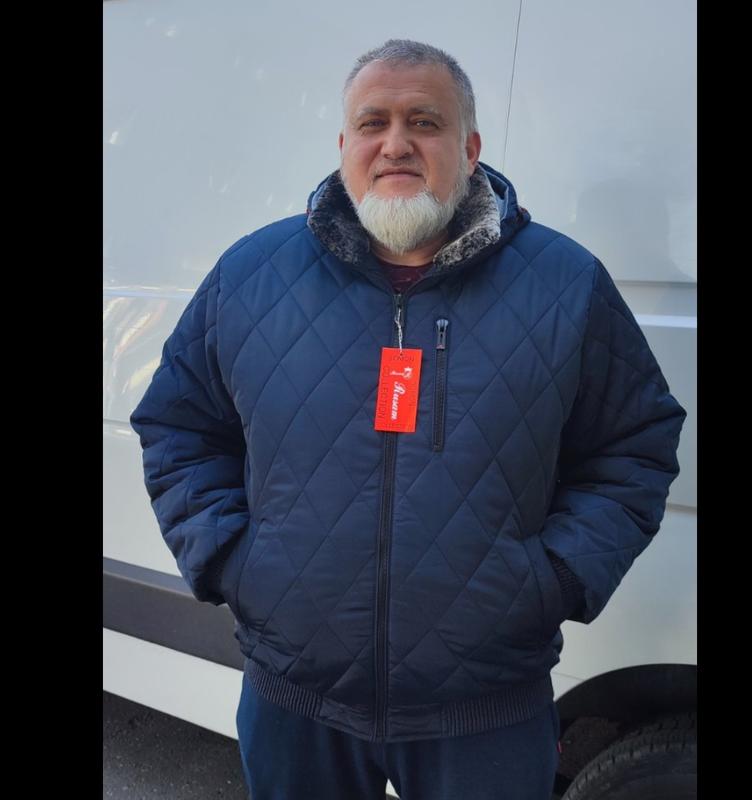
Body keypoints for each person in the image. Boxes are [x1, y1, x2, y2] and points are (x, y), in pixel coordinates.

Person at [130, 39, 687, 800]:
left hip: (488, 710)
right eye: (373, 123)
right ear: (344, 146)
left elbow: (635, 446)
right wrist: (234, 560)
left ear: (470, 147)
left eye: (424, 121)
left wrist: (551, 580)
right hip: (295, 700)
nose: (395, 143)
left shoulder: (566, 284)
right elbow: (179, 428)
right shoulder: (251, 276)